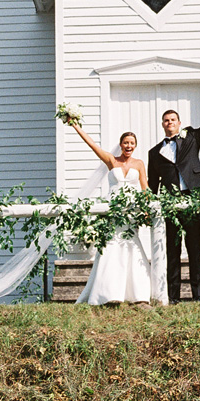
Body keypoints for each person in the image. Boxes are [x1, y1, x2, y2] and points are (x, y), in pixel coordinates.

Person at [147, 85, 200, 302]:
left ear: (179, 123)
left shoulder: (192, 137)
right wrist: (150, 208)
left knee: (195, 249)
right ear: (162, 125)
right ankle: (173, 297)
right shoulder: (154, 153)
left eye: (173, 119)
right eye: (166, 120)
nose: (169, 123)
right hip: (170, 204)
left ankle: (198, 296)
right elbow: (151, 184)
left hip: (194, 199)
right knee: (172, 252)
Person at [68, 122, 151, 305]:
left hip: (130, 212)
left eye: (132, 143)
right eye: (126, 143)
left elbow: (145, 188)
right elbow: (92, 145)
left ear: (135, 146)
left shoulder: (139, 164)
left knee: (131, 244)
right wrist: (75, 126)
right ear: (120, 144)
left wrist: (146, 210)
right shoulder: (112, 161)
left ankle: (137, 294)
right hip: (113, 210)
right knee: (112, 245)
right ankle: (108, 293)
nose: (129, 146)